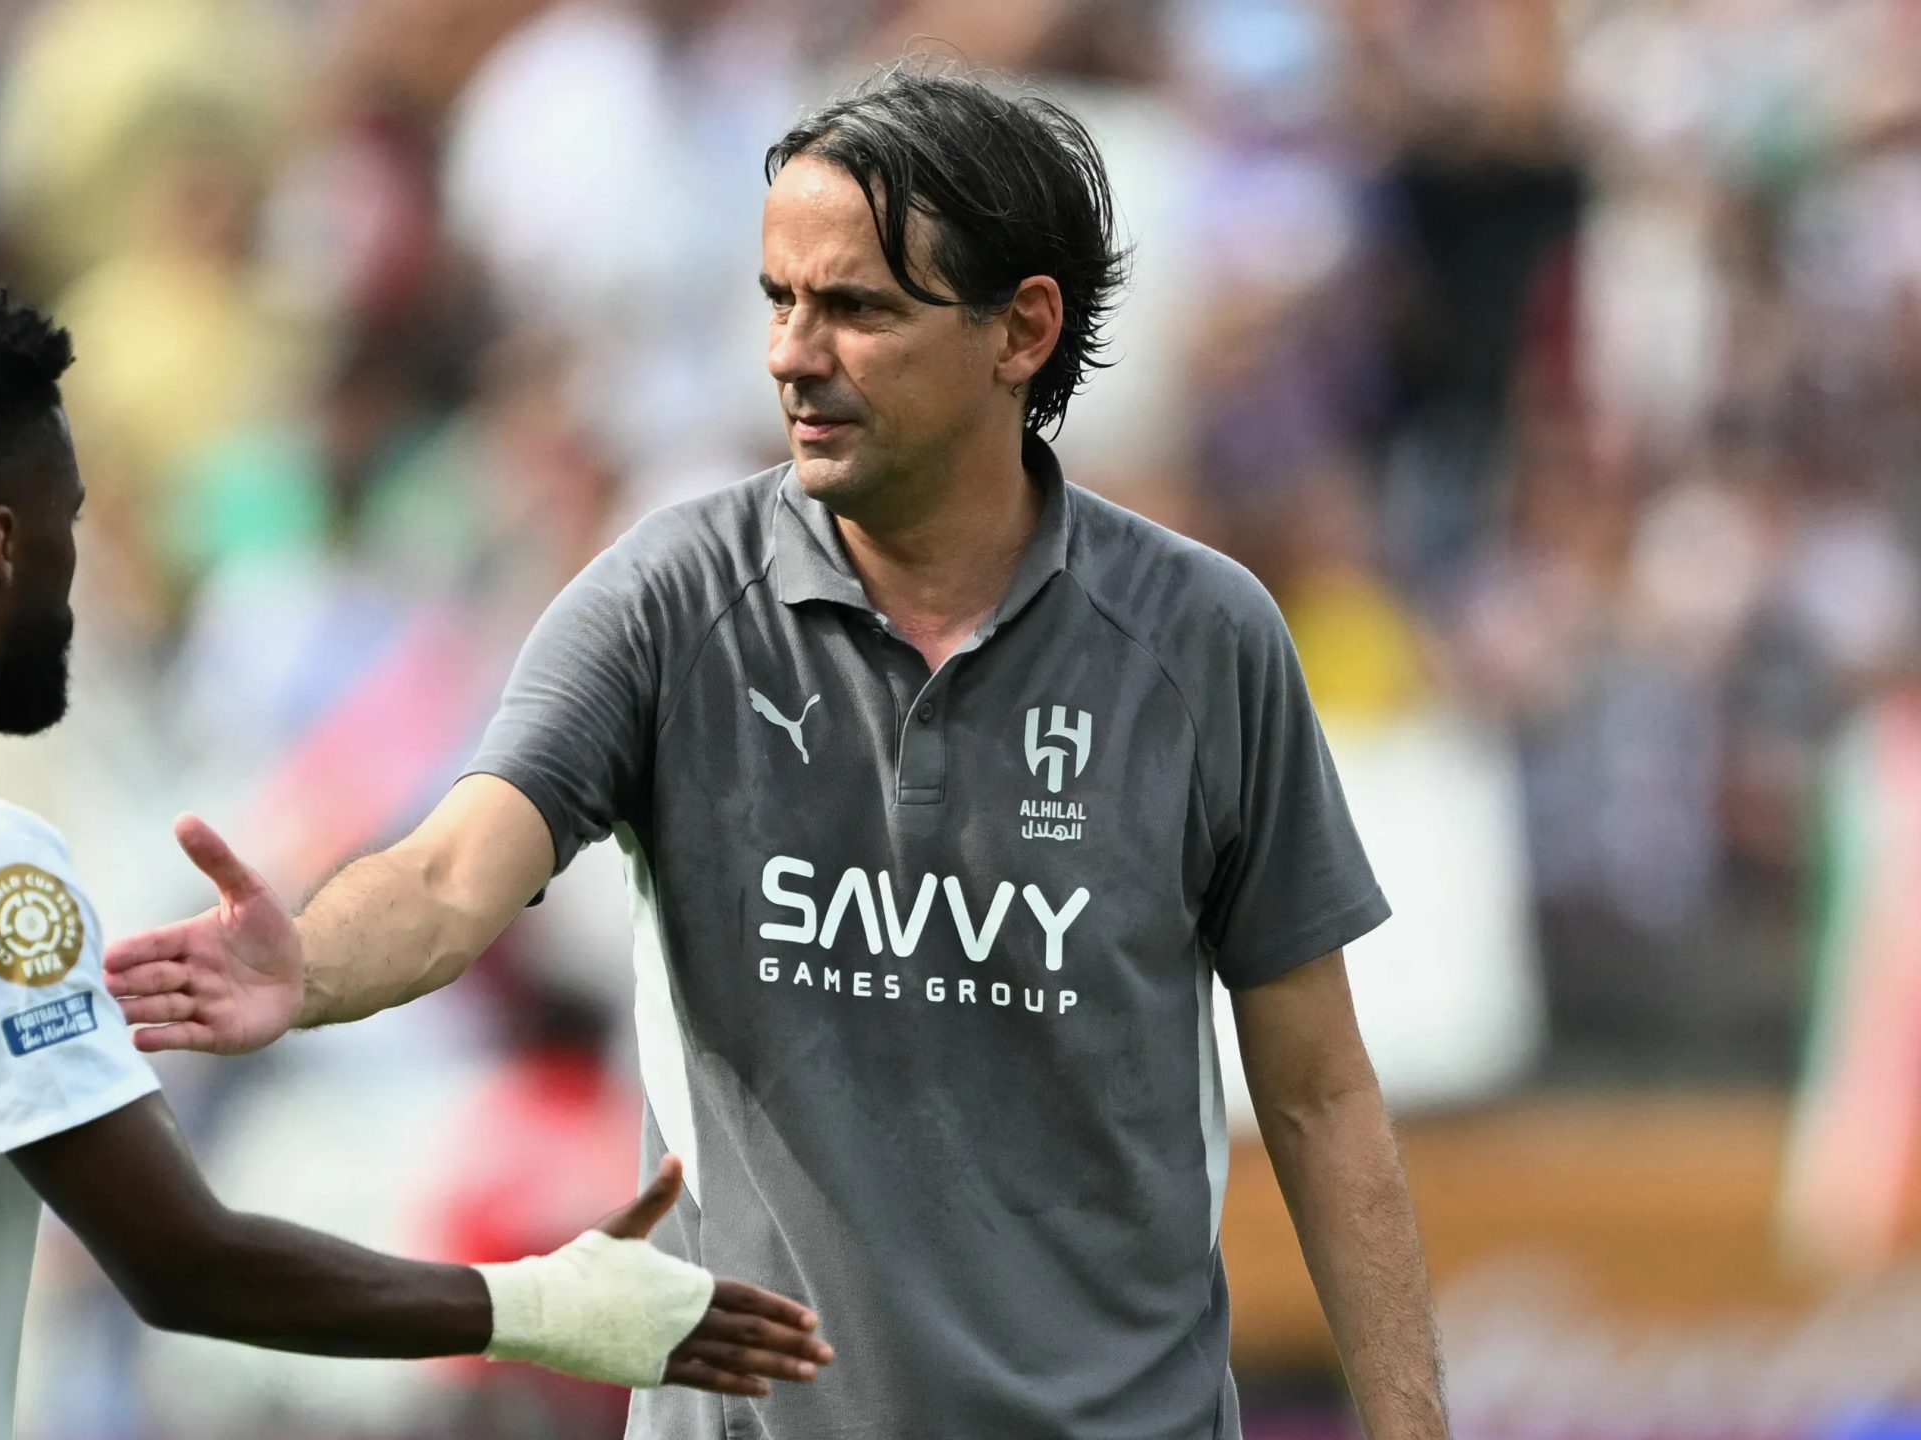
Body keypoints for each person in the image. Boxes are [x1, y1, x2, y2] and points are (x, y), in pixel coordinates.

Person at [109, 69, 1448, 1440]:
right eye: (778, 300)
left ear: (1022, 330)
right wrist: (310, 965)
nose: (792, 355)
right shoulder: (669, 601)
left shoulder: (1202, 640)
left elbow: (1319, 1093)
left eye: (857, 309)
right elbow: (454, 877)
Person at [0, 285, 828, 1437]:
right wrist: (543, 1306)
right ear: (0, 543)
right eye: (70, 524)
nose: (81, 573)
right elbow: (182, 1264)